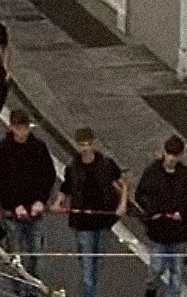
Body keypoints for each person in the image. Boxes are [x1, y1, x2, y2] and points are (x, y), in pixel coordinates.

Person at [55, 127, 127, 297]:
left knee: (97, 263)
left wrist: (122, 204)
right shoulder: (73, 168)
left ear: (94, 144)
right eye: (82, 145)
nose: (86, 148)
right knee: (88, 269)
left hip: (103, 221)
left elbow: (123, 183)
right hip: (82, 224)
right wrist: (58, 202)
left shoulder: (107, 165)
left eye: (88, 144)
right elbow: (67, 187)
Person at [0, 110, 56, 295]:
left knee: (35, 253)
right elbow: (0, 182)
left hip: (35, 211)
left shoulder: (38, 147)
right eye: (18, 128)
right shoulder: (3, 150)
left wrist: (41, 201)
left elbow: (48, 176)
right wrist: (14, 206)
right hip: (13, 214)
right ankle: (20, 291)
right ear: (11, 127)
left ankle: (33, 288)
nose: (22, 132)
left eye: (25, 128)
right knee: (18, 257)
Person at [136, 135, 187, 297]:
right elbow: (140, 195)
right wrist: (152, 211)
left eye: (175, 155)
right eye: (169, 154)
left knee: (177, 273)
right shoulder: (152, 172)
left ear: (180, 156)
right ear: (164, 153)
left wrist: (183, 214)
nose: (172, 158)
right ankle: (151, 288)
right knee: (156, 267)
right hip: (158, 232)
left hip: (179, 234)